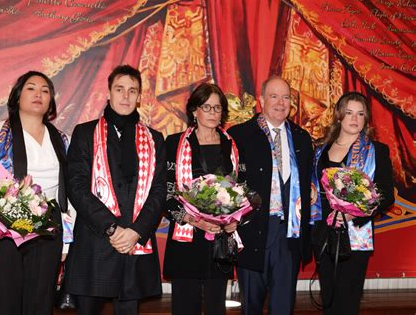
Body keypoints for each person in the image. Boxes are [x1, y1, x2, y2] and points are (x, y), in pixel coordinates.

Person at [64, 64, 166, 315]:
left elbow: (159, 191)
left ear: (140, 96)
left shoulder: (155, 138)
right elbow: (76, 186)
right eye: (119, 89)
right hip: (96, 240)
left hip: (135, 243)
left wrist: (136, 231)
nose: (126, 96)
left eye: (133, 91)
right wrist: (111, 228)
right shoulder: (85, 133)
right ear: (109, 93)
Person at [0, 71, 70, 315]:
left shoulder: (62, 138)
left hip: (47, 230)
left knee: (40, 302)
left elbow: (68, 189)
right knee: (2, 301)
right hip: (2, 228)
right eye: (31, 88)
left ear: (50, 101)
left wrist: (67, 240)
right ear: (17, 96)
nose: (38, 94)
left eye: (45, 91)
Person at [227, 76, 314, 315]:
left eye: (286, 97)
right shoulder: (239, 136)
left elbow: (309, 180)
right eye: (274, 96)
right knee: (251, 307)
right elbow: (228, 184)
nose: (280, 103)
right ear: (261, 101)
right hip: (252, 234)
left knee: (283, 307)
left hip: (289, 236)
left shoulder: (301, 138)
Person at [310, 92, 394, 315]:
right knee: (328, 299)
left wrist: (354, 214)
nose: (354, 119)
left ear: (366, 119)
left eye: (360, 114)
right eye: (349, 113)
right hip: (324, 236)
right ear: (339, 116)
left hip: (355, 236)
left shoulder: (377, 151)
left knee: (347, 302)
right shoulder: (320, 150)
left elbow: (386, 196)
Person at [163, 83, 239, 315]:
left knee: (217, 307)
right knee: (185, 307)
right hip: (187, 238)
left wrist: (234, 218)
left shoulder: (231, 145)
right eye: (207, 107)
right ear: (194, 111)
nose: (213, 113)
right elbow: (165, 193)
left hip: (220, 240)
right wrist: (196, 220)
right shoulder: (174, 143)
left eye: (217, 108)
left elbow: (242, 189)